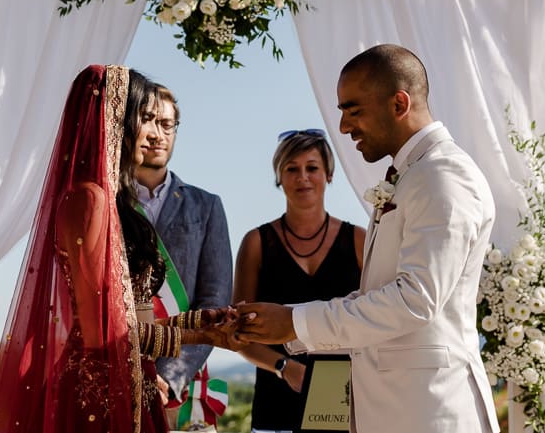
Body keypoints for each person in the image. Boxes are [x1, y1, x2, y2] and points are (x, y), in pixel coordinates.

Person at [236, 45, 500, 433]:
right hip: (395, 410)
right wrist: (288, 328)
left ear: (399, 103)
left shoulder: (442, 176)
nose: (343, 127)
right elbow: (380, 294)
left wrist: (294, 321)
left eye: (353, 110)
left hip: (429, 412)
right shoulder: (412, 176)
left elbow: (414, 300)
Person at [0, 65, 242, 433]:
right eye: (145, 118)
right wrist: (196, 335)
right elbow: (104, 331)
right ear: (115, 121)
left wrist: (200, 325)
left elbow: (127, 316)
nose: (153, 134)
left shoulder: (110, 199)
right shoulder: (89, 201)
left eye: (161, 123)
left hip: (128, 380)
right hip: (103, 395)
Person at [233, 129, 364, 432]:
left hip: (347, 404)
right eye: (292, 168)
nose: (302, 177)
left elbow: (374, 318)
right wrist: (283, 367)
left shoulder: (359, 241)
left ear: (329, 174)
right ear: (279, 177)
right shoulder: (256, 243)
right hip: (274, 409)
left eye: (312, 168)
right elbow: (238, 334)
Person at [134, 85, 233, 423]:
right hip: (116, 370)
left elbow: (214, 300)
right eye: (148, 120)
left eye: (168, 124)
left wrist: (170, 378)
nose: (159, 134)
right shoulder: (108, 203)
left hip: (180, 382)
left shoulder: (206, 206)